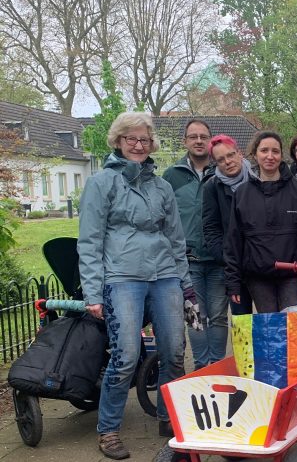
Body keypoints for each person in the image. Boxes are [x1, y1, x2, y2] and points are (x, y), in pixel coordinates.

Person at [78, 112, 196, 459]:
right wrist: (93, 292)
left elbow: (176, 238)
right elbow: (89, 240)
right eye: (131, 139)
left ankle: (168, 416)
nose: (139, 145)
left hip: (165, 276)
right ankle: (109, 429)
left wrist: (186, 285)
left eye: (145, 139)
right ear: (118, 141)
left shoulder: (160, 186)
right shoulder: (102, 183)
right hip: (121, 277)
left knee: (174, 351)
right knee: (127, 355)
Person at [223, 131, 297, 312]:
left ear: (281, 155)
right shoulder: (242, 194)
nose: (270, 156)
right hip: (258, 277)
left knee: (291, 330)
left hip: (292, 276)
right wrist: (233, 281)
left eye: (275, 151)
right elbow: (234, 241)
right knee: (269, 331)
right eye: (264, 151)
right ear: (255, 154)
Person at [162, 119, 226, 371]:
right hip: (188, 260)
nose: (199, 141)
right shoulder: (172, 175)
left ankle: (218, 367)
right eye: (193, 137)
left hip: (219, 260)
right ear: (185, 141)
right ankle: (202, 368)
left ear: (211, 140)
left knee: (219, 317)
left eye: (204, 136)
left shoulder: (222, 170)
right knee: (195, 317)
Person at [202, 134, 254, 315]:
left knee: (269, 323)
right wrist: (225, 258)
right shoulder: (212, 187)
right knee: (242, 324)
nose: (228, 162)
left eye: (230, 155)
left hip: (262, 262)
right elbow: (211, 227)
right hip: (234, 269)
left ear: (239, 153)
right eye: (221, 159)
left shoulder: (259, 179)